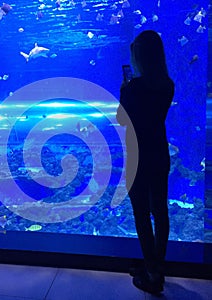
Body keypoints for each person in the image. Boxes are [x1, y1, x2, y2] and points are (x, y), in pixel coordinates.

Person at [116, 30, 175, 294]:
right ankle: (156, 267)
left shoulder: (133, 88)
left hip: (138, 157)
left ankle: (151, 273)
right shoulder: (167, 85)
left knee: (141, 214)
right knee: (160, 213)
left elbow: (122, 118)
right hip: (159, 155)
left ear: (139, 57)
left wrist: (124, 90)